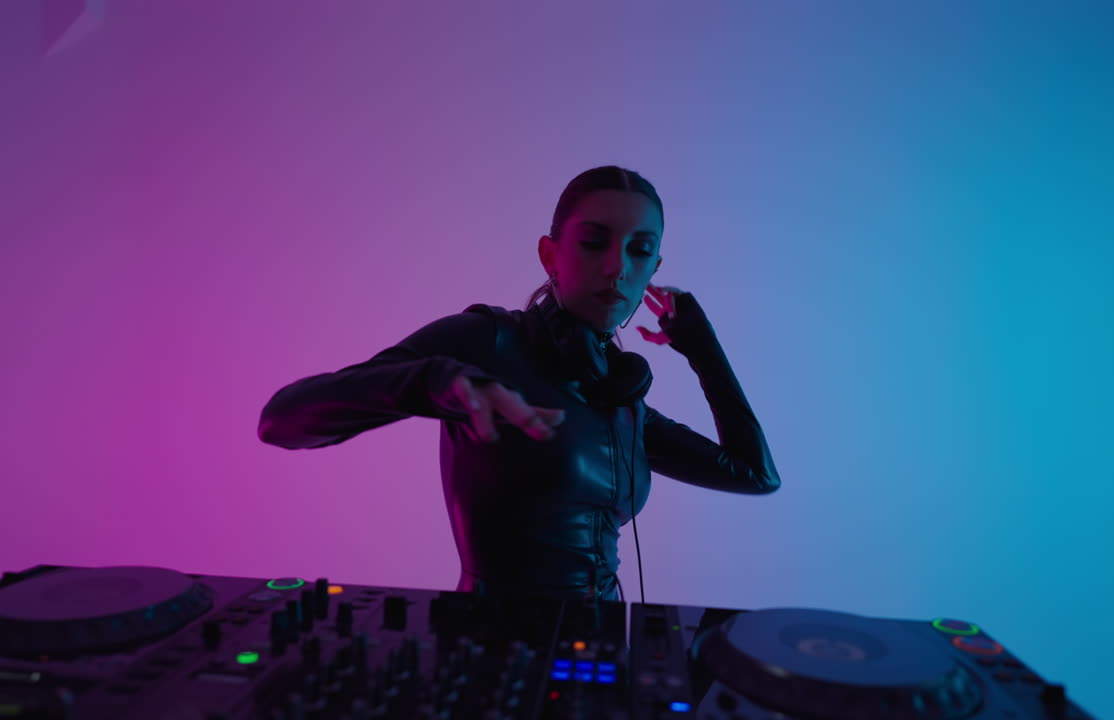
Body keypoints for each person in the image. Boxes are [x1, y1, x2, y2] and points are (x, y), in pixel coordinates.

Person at [258, 165, 780, 603]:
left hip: (601, 657)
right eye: (594, 242)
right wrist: (433, 380)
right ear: (551, 255)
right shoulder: (486, 342)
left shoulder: (619, 395)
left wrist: (703, 346)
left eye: (640, 250)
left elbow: (756, 474)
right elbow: (281, 421)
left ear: (654, 268)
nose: (618, 266)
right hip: (491, 653)